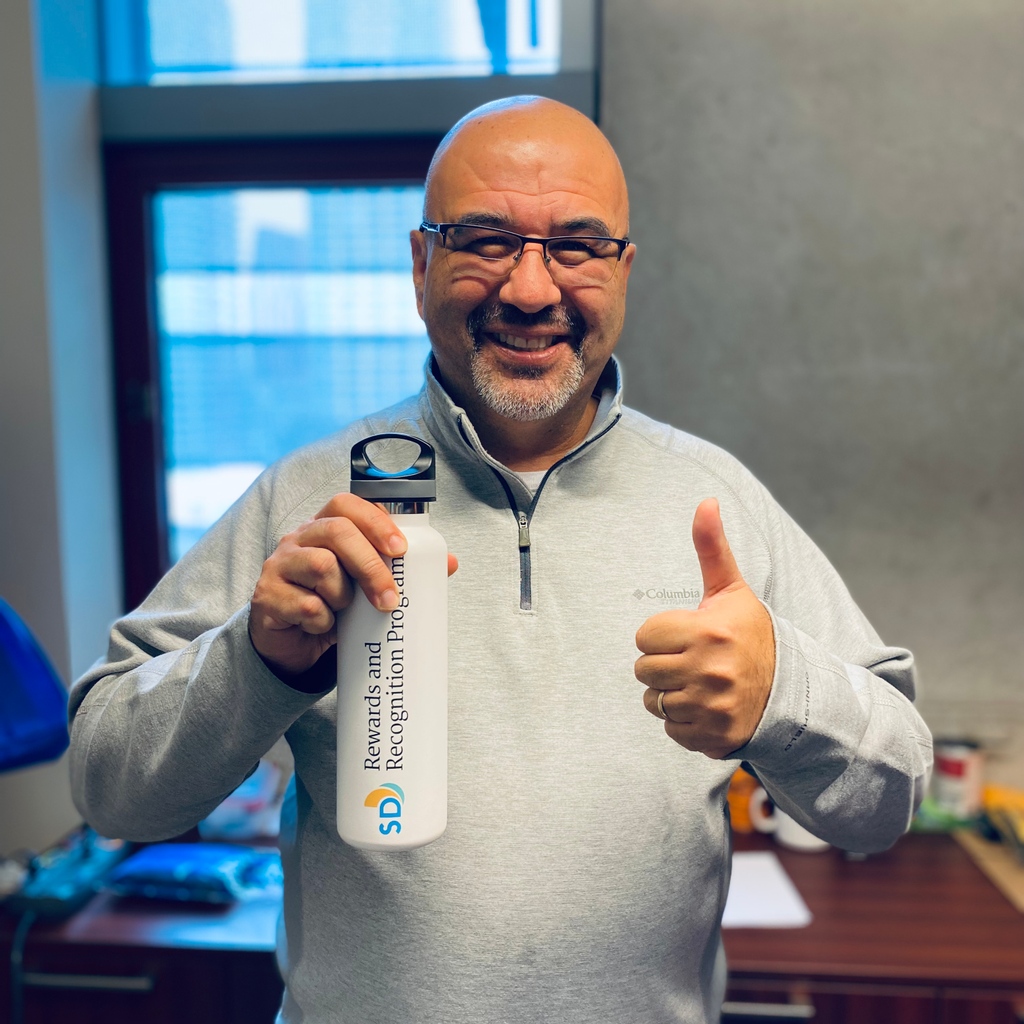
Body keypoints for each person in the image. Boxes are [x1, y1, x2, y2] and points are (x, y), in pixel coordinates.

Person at [69, 97, 932, 1024]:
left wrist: (781, 696)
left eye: (575, 245)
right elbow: (112, 788)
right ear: (419, 263)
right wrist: (256, 661)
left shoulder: (716, 502)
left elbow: (890, 801)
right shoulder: (308, 499)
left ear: (623, 270)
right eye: (484, 238)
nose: (529, 290)